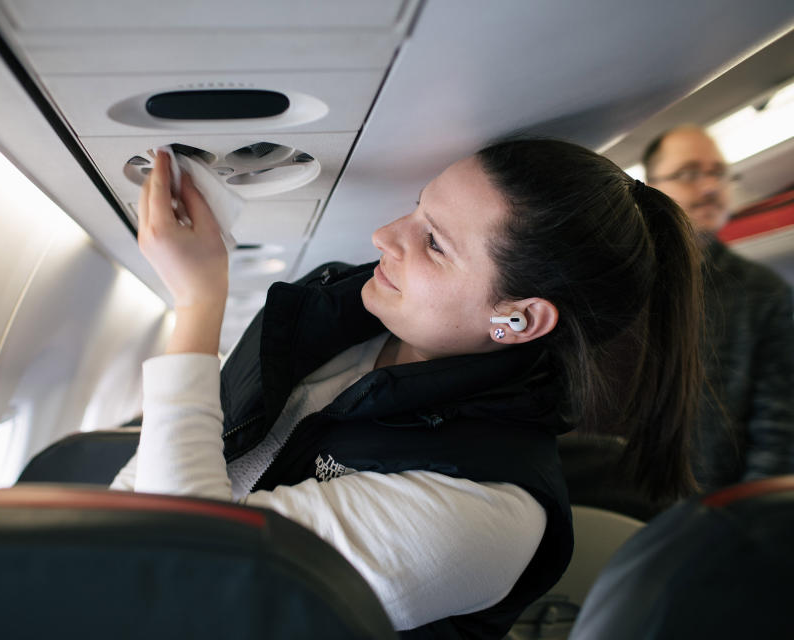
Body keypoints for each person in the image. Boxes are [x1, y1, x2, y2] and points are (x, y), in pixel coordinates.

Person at [112, 139, 703, 638]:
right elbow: (142, 492)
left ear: (519, 318)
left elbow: (186, 569)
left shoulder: (483, 510)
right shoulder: (327, 322)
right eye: (417, 211)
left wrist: (196, 301)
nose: (383, 235)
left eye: (435, 243)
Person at [643, 125, 794, 491]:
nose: (710, 187)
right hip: (615, 506)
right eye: (690, 174)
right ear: (650, 190)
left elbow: (779, 431)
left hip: (716, 516)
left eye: (718, 173)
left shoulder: (764, 292)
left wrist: (747, 523)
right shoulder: (617, 281)